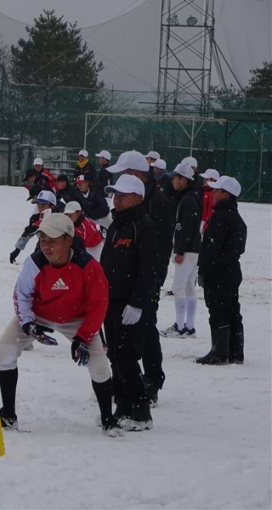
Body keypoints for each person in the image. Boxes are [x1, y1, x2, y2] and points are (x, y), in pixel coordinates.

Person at [0, 213, 123, 437]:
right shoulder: (34, 263)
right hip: (39, 315)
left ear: (68, 240)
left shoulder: (89, 267)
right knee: (4, 350)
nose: (46, 247)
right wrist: (28, 325)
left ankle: (108, 420)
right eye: (42, 241)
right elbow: (22, 295)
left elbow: (99, 305)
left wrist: (83, 337)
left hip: (77, 319)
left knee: (98, 364)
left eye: (52, 241)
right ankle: (8, 414)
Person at [105, 150, 176, 406]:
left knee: (145, 329)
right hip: (123, 282)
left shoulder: (158, 202)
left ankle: (152, 381)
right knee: (121, 339)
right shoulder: (127, 204)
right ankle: (123, 383)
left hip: (146, 280)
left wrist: (151, 284)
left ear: (135, 174)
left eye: (123, 174)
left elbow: (161, 248)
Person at [101, 174, 159, 431]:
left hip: (131, 306)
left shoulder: (144, 226)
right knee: (114, 355)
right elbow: (106, 263)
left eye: (123, 195)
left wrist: (137, 303)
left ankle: (141, 410)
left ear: (138, 198)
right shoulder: (116, 225)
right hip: (111, 302)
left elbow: (148, 270)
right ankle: (122, 406)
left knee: (126, 357)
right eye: (116, 194)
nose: (117, 199)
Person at [196, 176, 247, 365]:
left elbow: (212, 249)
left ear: (226, 194)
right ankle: (235, 352)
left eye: (217, 190)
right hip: (232, 270)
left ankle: (219, 352)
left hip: (219, 272)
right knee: (232, 309)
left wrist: (203, 271)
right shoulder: (236, 217)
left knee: (218, 310)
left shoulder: (220, 217)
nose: (213, 193)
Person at [161, 164, 202, 338]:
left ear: (184, 180)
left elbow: (187, 228)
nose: (172, 181)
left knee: (178, 287)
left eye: (175, 178)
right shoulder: (190, 197)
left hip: (188, 250)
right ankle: (189, 327)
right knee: (188, 288)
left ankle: (180, 327)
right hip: (193, 249)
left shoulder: (188, 200)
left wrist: (180, 250)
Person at [9, 190, 57, 264]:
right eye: (38, 205)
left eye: (43, 205)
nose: (40, 208)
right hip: (42, 245)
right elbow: (28, 232)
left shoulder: (61, 218)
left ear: (52, 206)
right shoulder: (35, 218)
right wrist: (17, 249)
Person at [199, 168, 220, 234]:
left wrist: (206, 225)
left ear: (213, 180)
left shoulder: (214, 194)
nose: (204, 181)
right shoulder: (203, 190)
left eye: (207, 179)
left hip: (206, 223)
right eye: (205, 179)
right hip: (200, 221)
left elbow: (211, 211)